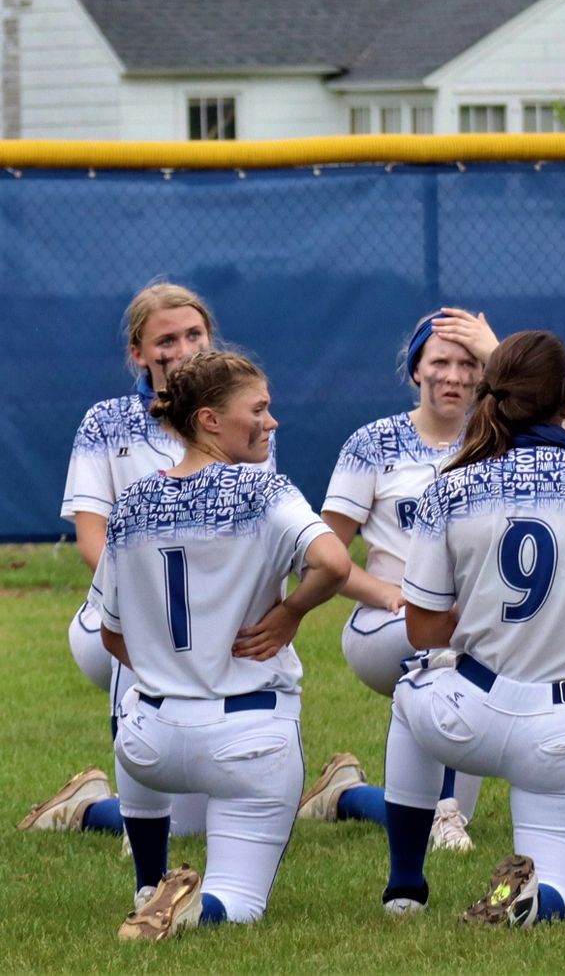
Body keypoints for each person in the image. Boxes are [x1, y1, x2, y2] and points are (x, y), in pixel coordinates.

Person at [378, 331, 565, 926]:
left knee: (408, 693)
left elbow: (425, 629)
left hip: (470, 712)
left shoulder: (451, 487)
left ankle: (405, 885)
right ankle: (537, 900)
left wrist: (484, 610)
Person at [90, 349, 351, 941]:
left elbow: (109, 632)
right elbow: (333, 562)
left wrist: (169, 667)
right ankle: (190, 907)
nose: (271, 421)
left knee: (134, 707)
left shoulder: (131, 503)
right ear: (210, 419)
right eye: (258, 409)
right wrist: (289, 614)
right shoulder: (262, 490)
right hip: (247, 738)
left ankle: (148, 884)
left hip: (149, 742)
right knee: (236, 904)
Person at [20, 282, 235, 842]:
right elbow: (92, 539)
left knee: (194, 828)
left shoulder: (239, 415)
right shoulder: (105, 422)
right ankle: (138, 848)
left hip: (207, 622)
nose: (182, 348)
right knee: (135, 638)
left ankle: (86, 807)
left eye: (194, 334)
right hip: (111, 622)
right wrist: (149, 605)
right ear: (137, 353)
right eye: (165, 339)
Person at [307, 307, 500, 852]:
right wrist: (389, 594)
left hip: (471, 629)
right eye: (440, 361)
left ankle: (346, 796)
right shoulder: (373, 443)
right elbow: (324, 556)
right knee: (449, 651)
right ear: (416, 369)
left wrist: (499, 348)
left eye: (472, 363)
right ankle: (444, 813)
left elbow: (555, 416)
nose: (455, 376)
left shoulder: (499, 440)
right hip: (384, 623)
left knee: (470, 651)